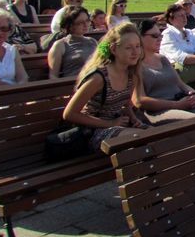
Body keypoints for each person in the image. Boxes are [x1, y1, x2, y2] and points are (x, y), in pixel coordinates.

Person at [62, 22, 148, 152]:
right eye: (128, 48)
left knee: (157, 134)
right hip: (92, 132)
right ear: (113, 49)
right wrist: (110, 124)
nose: (135, 52)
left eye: (138, 46)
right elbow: (69, 114)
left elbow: (125, 104)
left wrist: (133, 118)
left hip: (116, 126)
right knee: (139, 138)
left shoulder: (132, 74)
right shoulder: (99, 78)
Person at [135, 19, 195, 123]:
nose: (159, 39)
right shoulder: (136, 65)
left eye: (160, 35)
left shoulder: (162, 59)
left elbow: (180, 84)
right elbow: (139, 100)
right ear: (140, 37)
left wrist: (193, 94)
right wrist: (177, 105)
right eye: (154, 36)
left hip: (181, 102)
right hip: (159, 110)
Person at [48, 7, 98, 79]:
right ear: (70, 25)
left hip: (96, 80)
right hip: (74, 82)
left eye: (87, 20)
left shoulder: (92, 41)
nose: (86, 24)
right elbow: (53, 75)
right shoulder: (60, 45)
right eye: (80, 22)